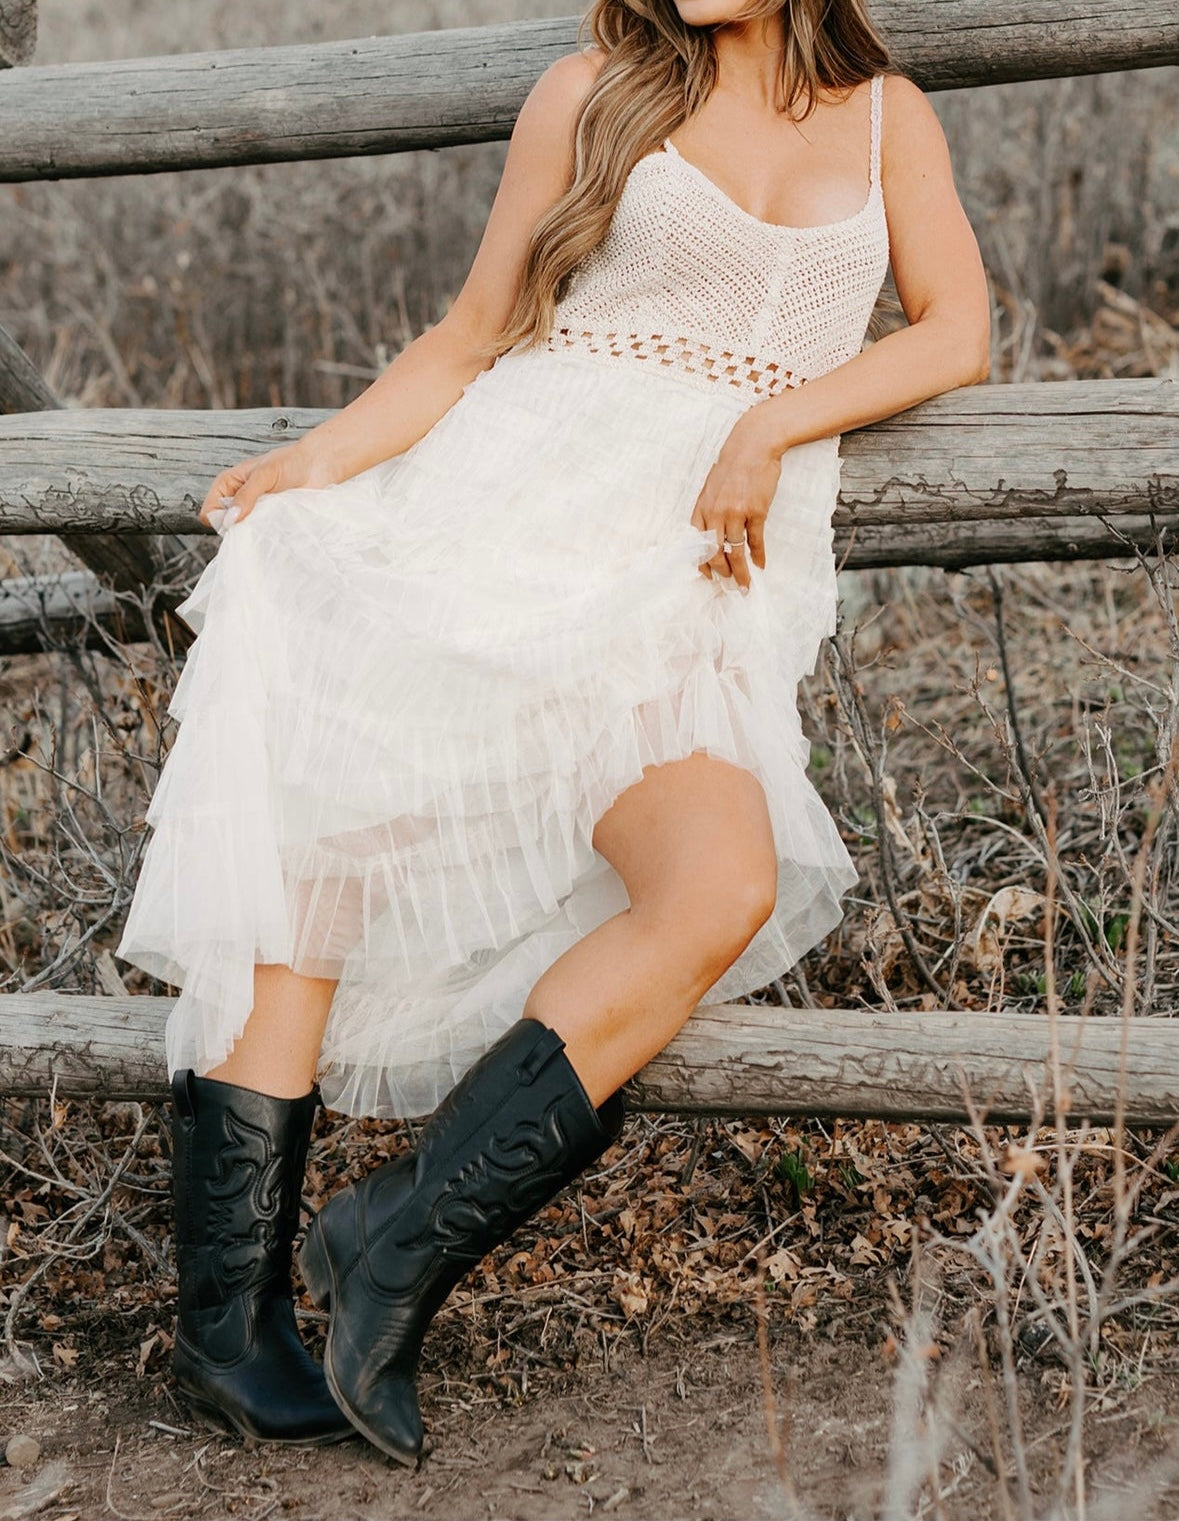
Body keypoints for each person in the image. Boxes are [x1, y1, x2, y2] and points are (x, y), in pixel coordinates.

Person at [114, 0, 989, 1466]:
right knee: (328, 842)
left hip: (693, 575)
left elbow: (958, 329)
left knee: (717, 885)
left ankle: (394, 1240)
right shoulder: (594, 91)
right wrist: (314, 463)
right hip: (519, 513)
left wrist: (770, 426)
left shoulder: (891, 118)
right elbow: (472, 336)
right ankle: (228, 1329)